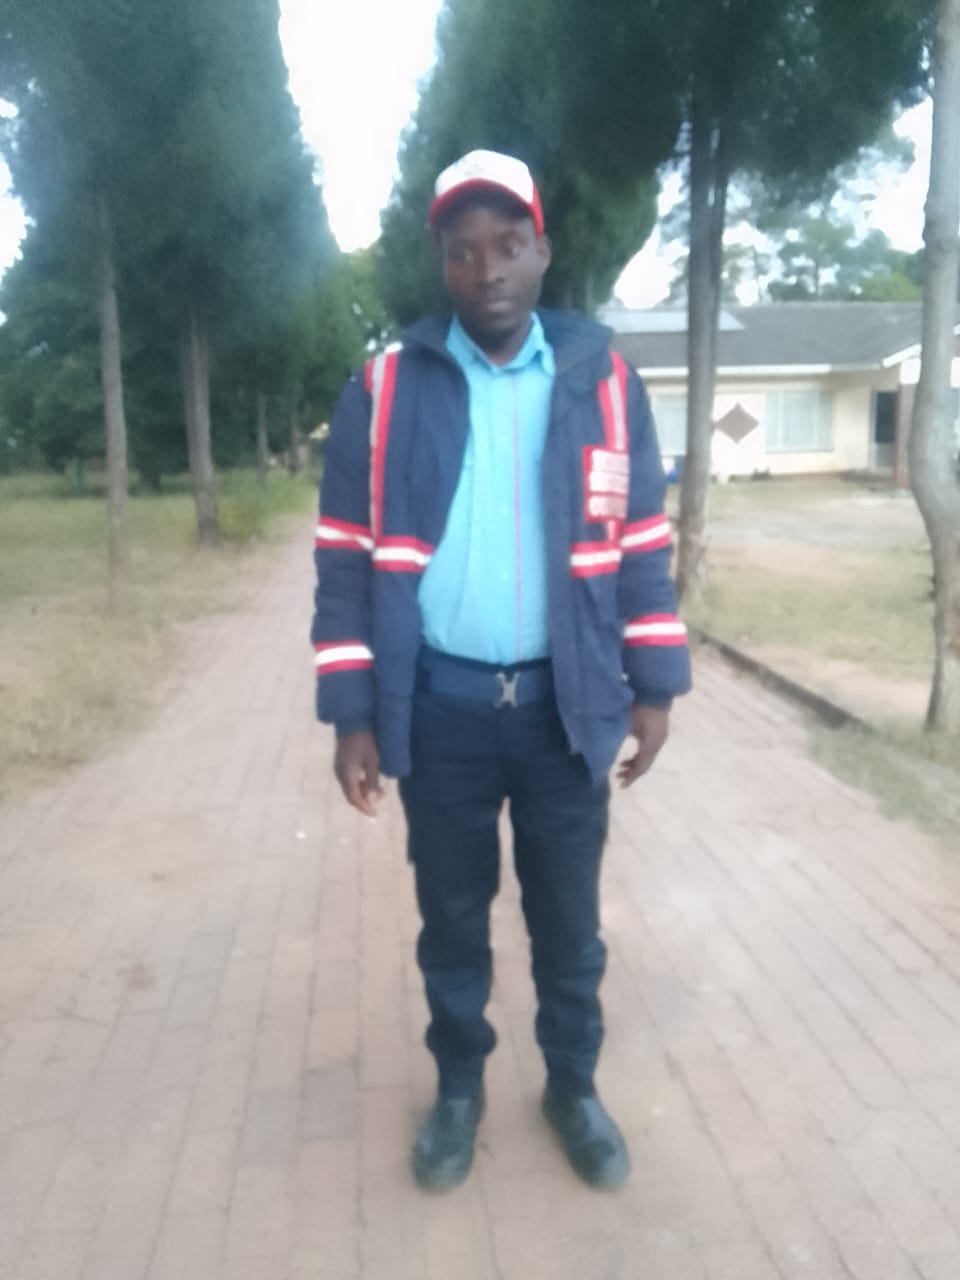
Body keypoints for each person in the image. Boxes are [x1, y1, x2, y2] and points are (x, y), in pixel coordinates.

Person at [311, 149, 691, 1192]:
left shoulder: (604, 384)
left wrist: (655, 684)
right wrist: (352, 714)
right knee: (451, 919)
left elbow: (640, 545)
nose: (487, 270)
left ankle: (573, 1084)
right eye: (463, 250)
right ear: (442, 263)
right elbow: (343, 557)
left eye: (508, 245)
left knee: (569, 921)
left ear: (542, 252)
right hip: (441, 711)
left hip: (567, 709)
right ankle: (459, 1090)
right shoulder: (384, 389)